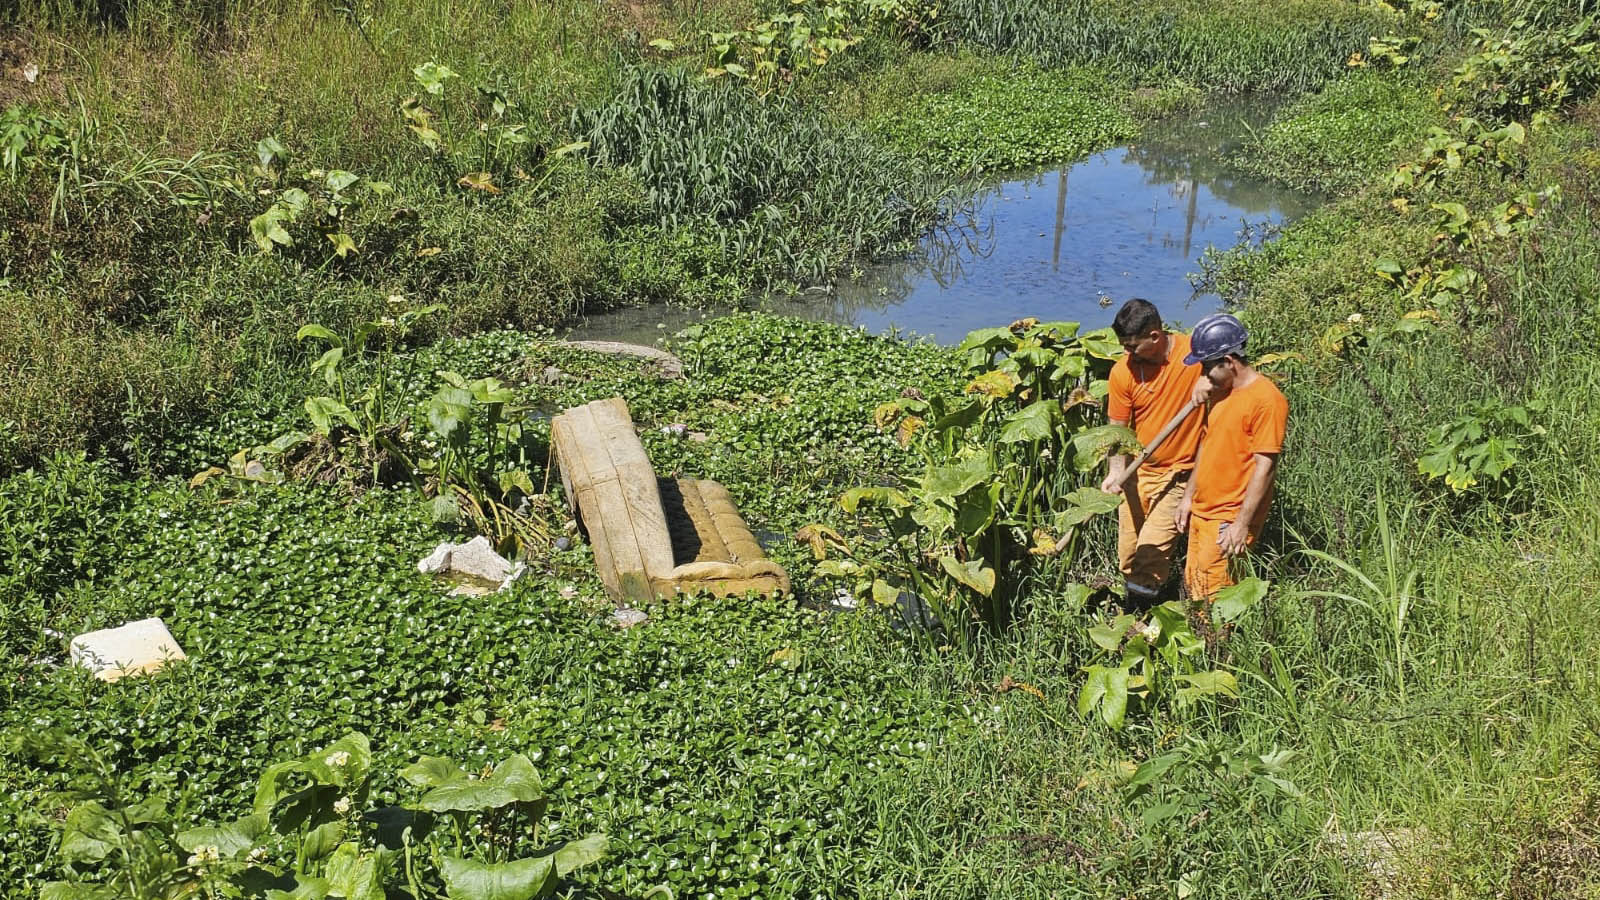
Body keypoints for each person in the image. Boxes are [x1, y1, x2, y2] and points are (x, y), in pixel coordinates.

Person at [1101, 299, 1209, 606]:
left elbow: (1231, 370)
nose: (1127, 353)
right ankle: (1135, 602)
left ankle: (1141, 612)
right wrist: (1115, 472)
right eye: (1123, 346)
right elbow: (1117, 429)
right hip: (1137, 472)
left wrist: (1210, 379)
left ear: (1155, 336)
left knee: (1151, 551)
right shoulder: (1123, 372)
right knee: (1128, 552)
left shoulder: (1195, 356)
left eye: (1133, 346)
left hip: (1179, 473)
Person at [1175, 313, 1289, 604]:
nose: (1203, 376)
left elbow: (1265, 467)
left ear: (1228, 361)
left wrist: (1241, 524)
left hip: (1228, 516)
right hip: (1203, 509)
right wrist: (1188, 497)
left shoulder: (1267, 399)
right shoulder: (1222, 392)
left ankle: (1216, 637)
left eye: (1207, 367)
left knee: (1215, 600)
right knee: (1194, 587)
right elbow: (1207, 445)